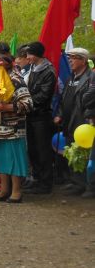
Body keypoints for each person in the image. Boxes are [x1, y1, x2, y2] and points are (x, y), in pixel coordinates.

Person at [0, 55, 33, 203]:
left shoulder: (16, 81)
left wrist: (7, 107)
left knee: (14, 160)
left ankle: (17, 191)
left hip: (13, 128)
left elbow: (28, 104)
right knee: (1, 160)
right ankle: (4, 189)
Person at [55, 47, 93, 195]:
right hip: (69, 121)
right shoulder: (71, 77)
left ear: (83, 60)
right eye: (69, 57)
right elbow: (64, 99)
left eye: (74, 57)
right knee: (72, 153)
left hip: (83, 122)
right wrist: (59, 114)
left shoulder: (90, 78)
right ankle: (75, 181)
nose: (70, 60)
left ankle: (87, 185)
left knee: (84, 154)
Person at [23, 41, 57, 195]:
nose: (27, 57)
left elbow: (44, 95)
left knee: (43, 151)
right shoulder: (32, 68)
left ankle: (46, 183)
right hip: (30, 115)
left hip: (41, 117)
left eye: (29, 54)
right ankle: (36, 178)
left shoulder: (48, 71)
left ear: (36, 54)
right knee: (33, 150)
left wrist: (25, 102)